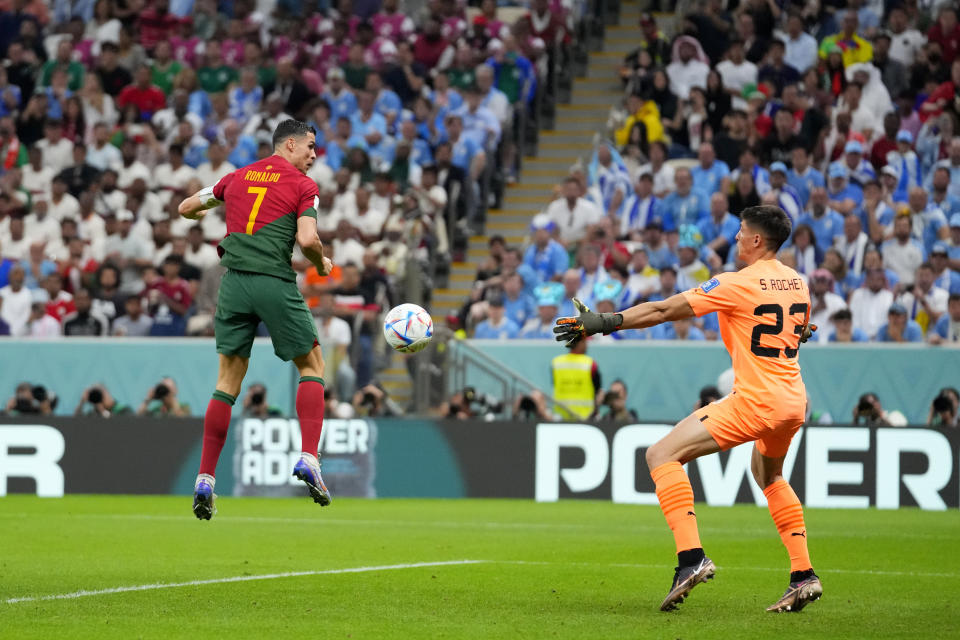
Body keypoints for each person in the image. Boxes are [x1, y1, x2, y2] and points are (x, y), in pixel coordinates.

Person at [554, 205, 821, 613]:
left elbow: (663, 310)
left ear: (756, 240)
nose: (734, 238)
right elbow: (799, 329)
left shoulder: (736, 283)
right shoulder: (797, 283)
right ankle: (803, 575)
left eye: (740, 231)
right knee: (769, 475)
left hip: (756, 400)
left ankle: (691, 560)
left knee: (661, 455)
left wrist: (604, 321)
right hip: (793, 400)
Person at [177, 119, 334, 520]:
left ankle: (205, 478)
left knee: (227, 382)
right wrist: (322, 263)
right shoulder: (303, 186)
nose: (315, 155)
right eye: (311, 147)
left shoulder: (237, 176)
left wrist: (205, 213)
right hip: (273, 281)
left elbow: (187, 207)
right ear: (291, 144)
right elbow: (307, 240)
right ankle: (309, 458)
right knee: (313, 365)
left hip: (233, 285)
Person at [551, 337, 599, 420]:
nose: (587, 345)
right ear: (580, 343)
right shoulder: (590, 364)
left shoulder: (556, 362)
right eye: (585, 342)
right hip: (585, 417)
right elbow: (597, 390)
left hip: (561, 416)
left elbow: (554, 383)